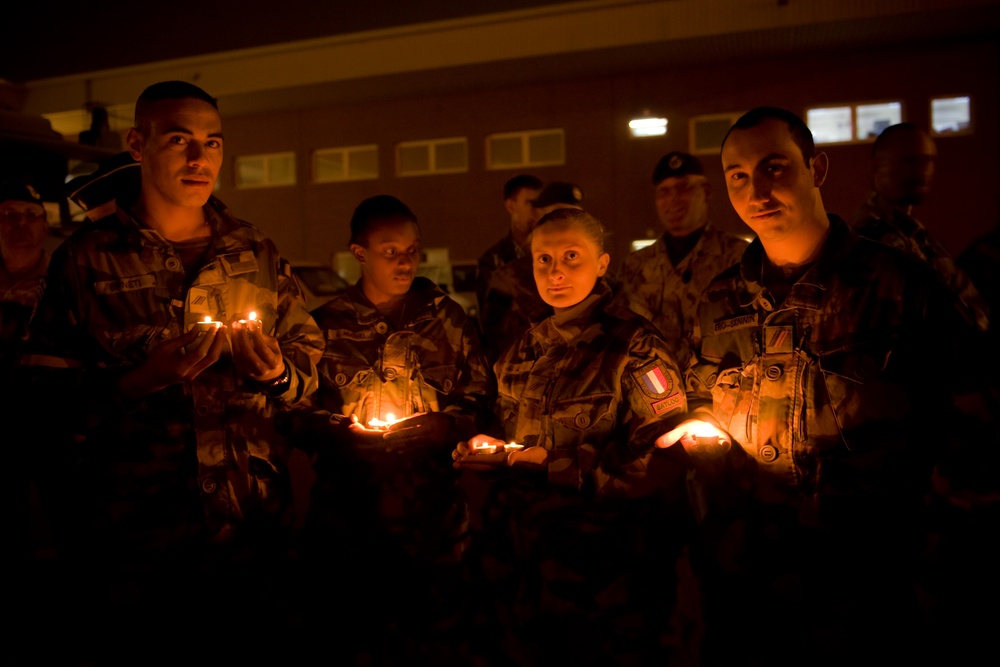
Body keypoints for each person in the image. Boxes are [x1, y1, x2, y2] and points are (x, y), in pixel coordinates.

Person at [662, 107, 993, 666]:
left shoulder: (898, 284)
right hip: (747, 585)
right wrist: (696, 425)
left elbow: (975, 418)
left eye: (774, 167)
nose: (756, 189)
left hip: (864, 588)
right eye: (738, 175)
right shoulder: (721, 301)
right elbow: (701, 397)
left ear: (816, 168)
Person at [17, 80, 324, 662]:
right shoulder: (86, 259)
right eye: (179, 139)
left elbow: (313, 362)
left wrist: (281, 372)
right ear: (137, 144)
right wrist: (140, 380)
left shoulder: (255, 252)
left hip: (250, 529)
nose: (198, 158)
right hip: (135, 536)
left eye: (212, 143)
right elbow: (39, 399)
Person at [454, 207, 692, 667]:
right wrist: (487, 449)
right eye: (543, 260)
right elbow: (508, 441)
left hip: (609, 577)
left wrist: (547, 464)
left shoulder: (633, 347)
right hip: (529, 569)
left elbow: (659, 458)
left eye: (570, 256)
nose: (556, 271)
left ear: (602, 264)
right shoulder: (521, 351)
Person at [283, 194, 494, 665]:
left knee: (436, 640)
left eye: (413, 250)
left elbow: (482, 398)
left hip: (433, 521)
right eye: (390, 251)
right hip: (348, 520)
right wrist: (341, 431)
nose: (405, 262)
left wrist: (448, 424)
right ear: (359, 253)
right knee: (352, 638)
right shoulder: (324, 328)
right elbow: (291, 412)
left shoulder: (448, 321)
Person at [849, 122, 989, 332]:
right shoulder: (870, 236)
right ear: (876, 167)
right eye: (909, 161)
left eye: (928, 161)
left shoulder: (914, 233)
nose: (922, 171)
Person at [615, 151, 748, 365]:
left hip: (720, 390)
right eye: (664, 191)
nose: (673, 199)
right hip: (653, 390)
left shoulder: (738, 258)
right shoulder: (635, 266)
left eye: (683, 187)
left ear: (706, 191)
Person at [477, 180, 584, 367]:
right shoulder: (508, 276)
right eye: (559, 213)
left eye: (575, 214)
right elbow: (494, 337)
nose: (567, 222)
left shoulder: (596, 271)